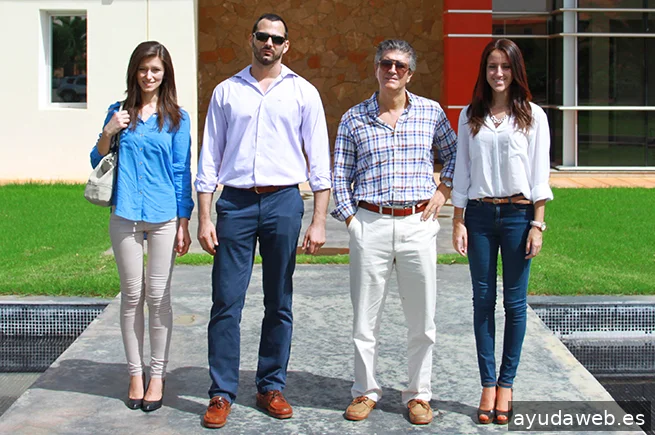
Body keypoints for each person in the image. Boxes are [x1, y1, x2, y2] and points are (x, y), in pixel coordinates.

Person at [195, 13, 331, 429]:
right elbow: (209, 157)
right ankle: (221, 392)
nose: (268, 43)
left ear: (286, 45)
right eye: (262, 36)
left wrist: (319, 220)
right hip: (235, 204)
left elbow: (319, 160)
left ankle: (271, 385)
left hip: (283, 203)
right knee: (226, 301)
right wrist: (204, 216)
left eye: (276, 38)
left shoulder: (303, 92)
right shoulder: (226, 92)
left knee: (279, 300)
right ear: (251, 39)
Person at [331, 39, 457, 425]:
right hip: (370, 223)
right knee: (364, 320)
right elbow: (339, 173)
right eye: (386, 63)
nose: (392, 71)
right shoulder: (354, 118)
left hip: (418, 224)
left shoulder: (431, 113)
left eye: (400, 66)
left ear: (410, 74)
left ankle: (418, 394)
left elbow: (454, 155)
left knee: (423, 318)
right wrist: (352, 221)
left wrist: (443, 191)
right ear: (376, 68)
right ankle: (365, 390)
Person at [451, 38, 553, 425]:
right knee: (482, 301)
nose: (498, 73)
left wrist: (537, 224)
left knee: (514, 303)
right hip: (479, 216)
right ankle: (487, 384)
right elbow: (462, 171)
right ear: (485, 70)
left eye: (505, 66)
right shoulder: (470, 115)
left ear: (516, 71)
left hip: (518, 216)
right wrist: (457, 220)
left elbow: (539, 174)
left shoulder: (532, 116)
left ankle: (506, 384)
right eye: (492, 66)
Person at [90, 41, 194, 412]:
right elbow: (96, 158)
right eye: (143, 69)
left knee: (159, 296)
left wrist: (184, 222)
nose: (149, 76)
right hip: (125, 215)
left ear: (166, 75)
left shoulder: (178, 118)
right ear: (134, 72)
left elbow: (181, 172)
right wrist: (108, 130)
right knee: (132, 295)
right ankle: (136, 374)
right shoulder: (118, 112)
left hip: (164, 217)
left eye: (156, 70)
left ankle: (158, 375)